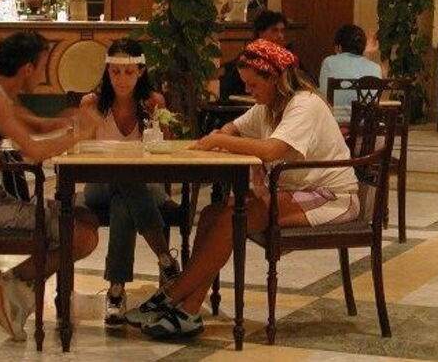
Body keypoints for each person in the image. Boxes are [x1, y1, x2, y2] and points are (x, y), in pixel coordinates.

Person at [127, 39, 358, 339]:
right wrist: (223, 135)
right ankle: (189, 309)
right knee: (212, 214)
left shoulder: (305, 104)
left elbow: (272, 149)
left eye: (253, 84)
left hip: (330, 196)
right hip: (290, 191)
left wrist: (219, 141)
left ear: (273, 78)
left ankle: (171, 296)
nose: (249, 90)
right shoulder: (267, 107)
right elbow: (231, 129)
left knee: (232, 219)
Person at [0, 30, 100, 341]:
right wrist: (79, 133)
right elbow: (33, 151)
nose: (42, 75)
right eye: (42, 67)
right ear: (27, 68)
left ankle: (15, 293)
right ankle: (8, 284)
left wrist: (72, 121)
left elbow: (36, 126)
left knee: (86, 218)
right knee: (81, 237)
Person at [78, 38, 181, 326]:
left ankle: (116, 290)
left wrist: (158, 125)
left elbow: (168, 152)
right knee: (124, 177)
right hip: (99, 185)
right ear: (107, 71)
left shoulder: (153, 103)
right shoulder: (91, 103)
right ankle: (166, 259)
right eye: (115, 72)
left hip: (146, 187)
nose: (121, 79)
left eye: (128, 72)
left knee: (123, 204)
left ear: (140, 71)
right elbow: (80, 153)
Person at [318, 24, 382, 123]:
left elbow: (323, 96)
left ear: (339, 47)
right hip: (366, 125)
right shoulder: (376, 68)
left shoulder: (329, 63)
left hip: (336, 123)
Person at [219, 10, 289, 99]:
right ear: (261, 33)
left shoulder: (287, 58)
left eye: (282, 31)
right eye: (274, 30)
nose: (280, 36)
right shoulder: (247, 58)